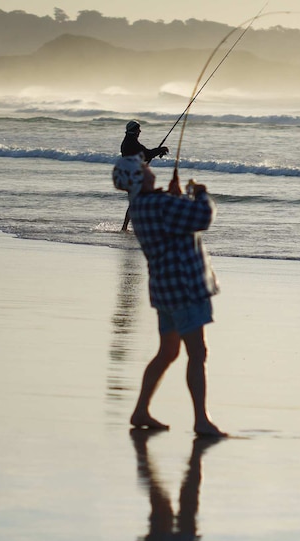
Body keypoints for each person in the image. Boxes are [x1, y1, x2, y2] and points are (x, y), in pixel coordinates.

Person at [112, 154, 225, 437]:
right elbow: (202, 217)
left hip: (164, 290)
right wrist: (200, 193)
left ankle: (141, 410)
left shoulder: (141, 206)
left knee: (168, 352)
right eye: (144, 169)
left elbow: (173, 222)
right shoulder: (161, 204)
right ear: (138, 177)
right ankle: (201, 419)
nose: (149, 170)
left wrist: (178, 198)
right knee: (197, 352)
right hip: (185, 288)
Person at [120, 120, 168, 231]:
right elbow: (147, 154)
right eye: (138, 129)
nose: (140, 131)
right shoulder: (132, 143)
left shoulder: (129, 142)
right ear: (135, 131)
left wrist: (157, 151)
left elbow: (146, 154)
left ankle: (126, 226)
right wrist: (161, 149)